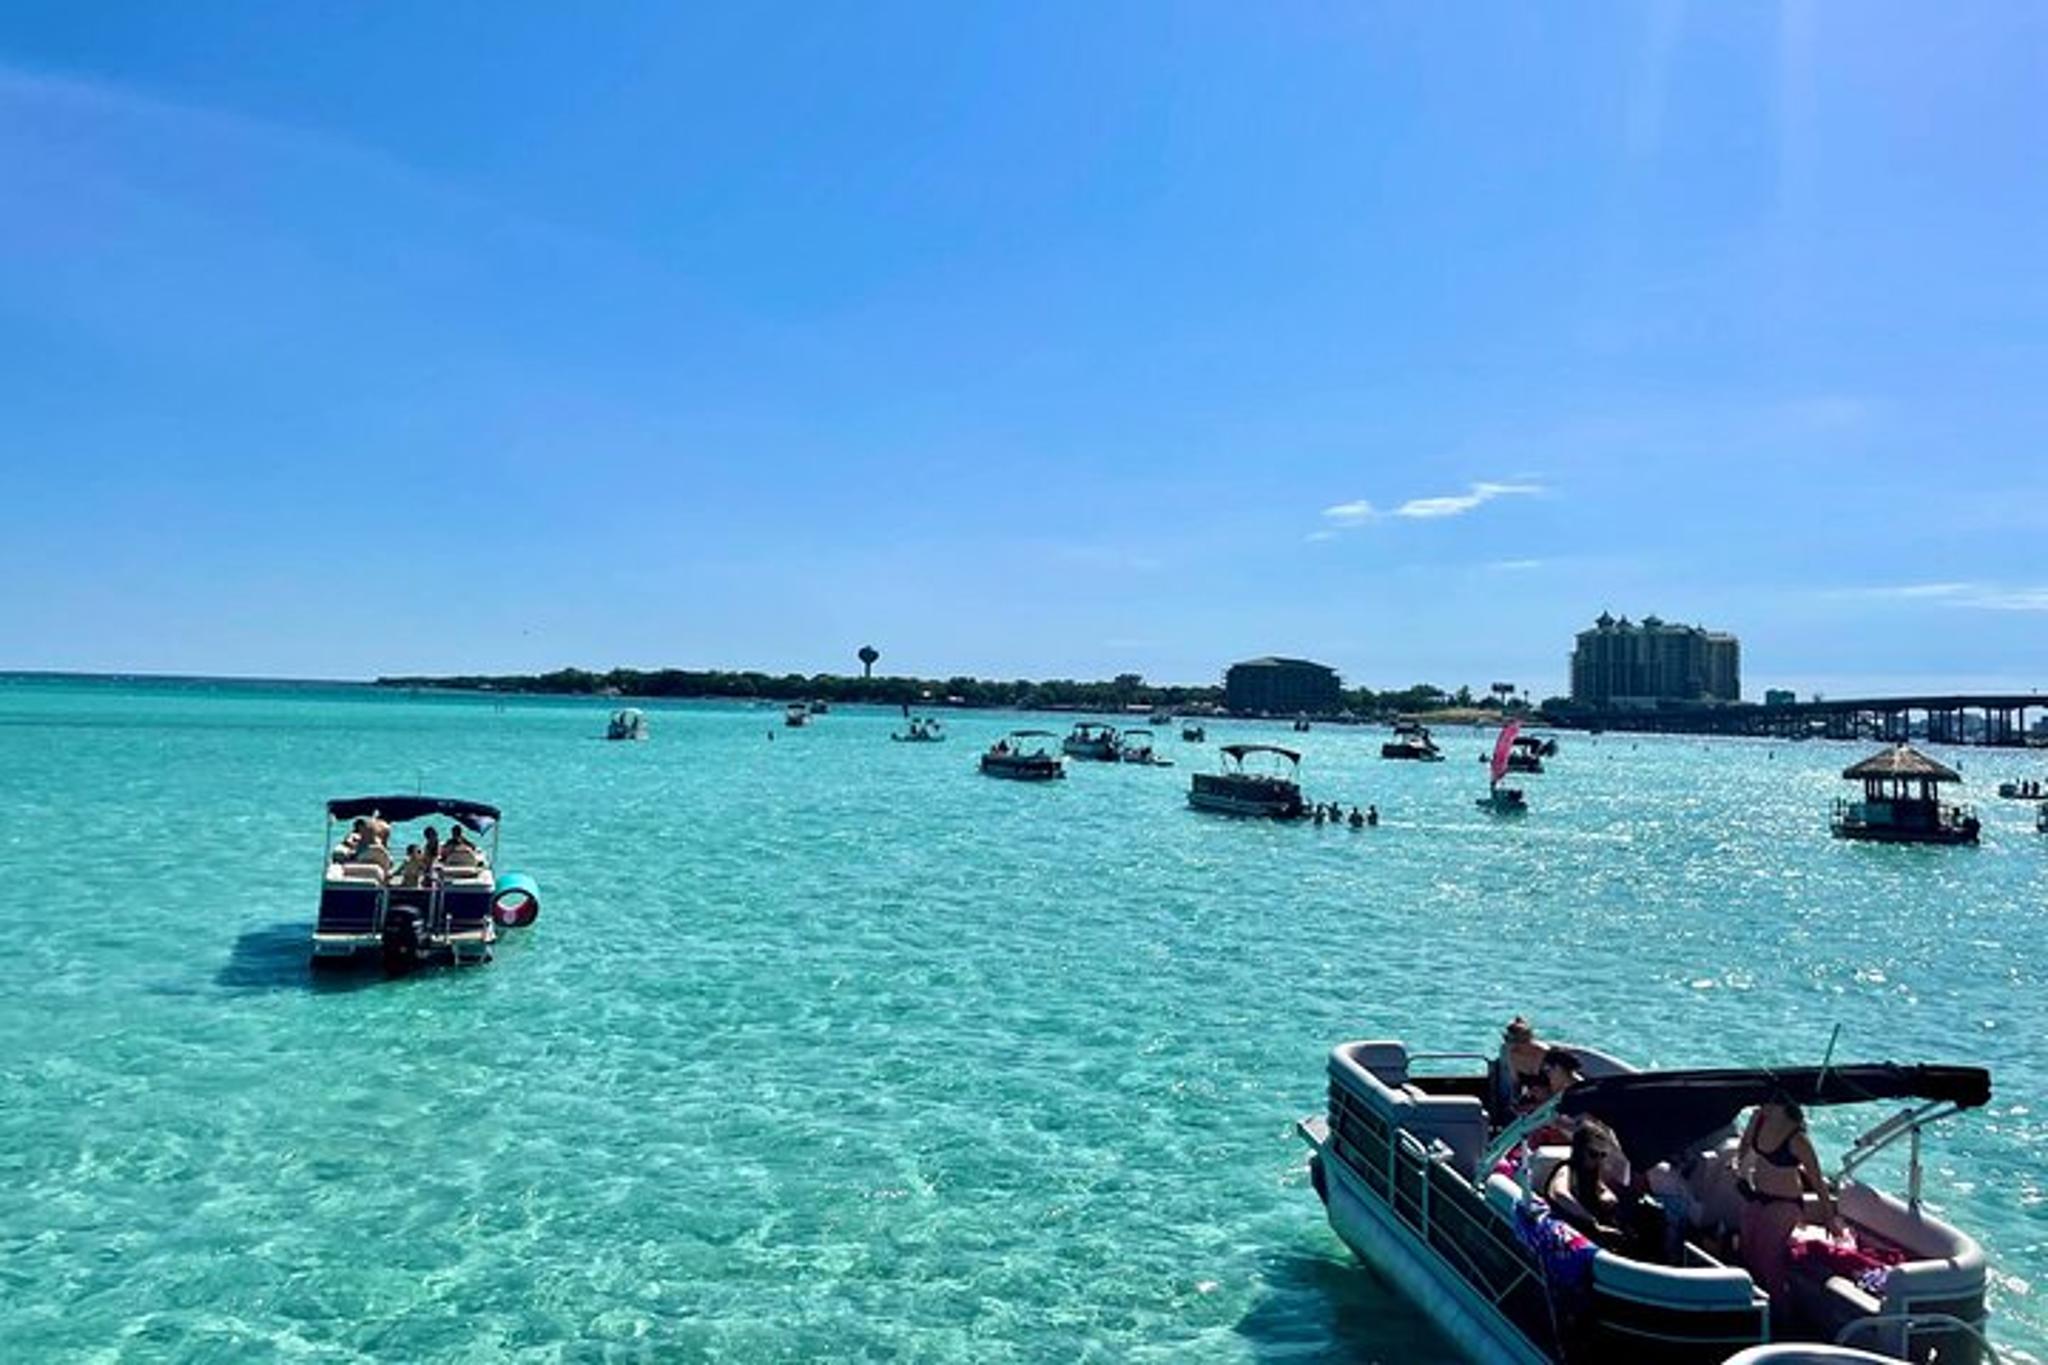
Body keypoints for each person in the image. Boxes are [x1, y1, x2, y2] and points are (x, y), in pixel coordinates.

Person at [1737, 1097, 1839, 1307]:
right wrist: (1740, 1168)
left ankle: (1781, 1313)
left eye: (1769, 1102)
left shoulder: (1798, 1139)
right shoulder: (1759, 1118)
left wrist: (1829, 1219)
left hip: (1785, 1202)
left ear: (1782, 1107)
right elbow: (1745, 1145)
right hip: (1758, 1195)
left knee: (1769, 1260)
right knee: (1746, 1250)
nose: (1763, 1105)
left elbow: (1817, 1181)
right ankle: (1755, 1305)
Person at [1547, 1119, 1628, 1248]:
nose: (1599, 1160)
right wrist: (1591, 1222)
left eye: (1603, 1155)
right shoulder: (1566, 1169)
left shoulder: (1591, 1174)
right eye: (1593, 1154)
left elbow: (1601, 1189)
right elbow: (1559, 1193)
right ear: (1580, 1150)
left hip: (1588, 1228)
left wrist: (1608, 1196)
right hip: (1568, 1228)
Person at [1501, 1018, 1547, 1110]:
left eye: (1516, 1041)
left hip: (1550, 1094)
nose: (1512, 1045)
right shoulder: (1511, 1054)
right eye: (1508, 1040)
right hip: (1531, 1094)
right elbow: (1515, 1082)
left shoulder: (1542, 1052)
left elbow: (1557, 1081)